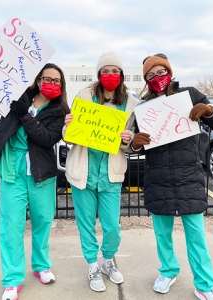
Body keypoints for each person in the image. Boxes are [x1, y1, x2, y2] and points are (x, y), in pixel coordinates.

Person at [131, 53, 213, 300]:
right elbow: (134, 142)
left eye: (161, 73)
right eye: (150, 76)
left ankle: (205, 284)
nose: (156, 78)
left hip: (189, 177)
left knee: (196, 235)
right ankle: (168, 271)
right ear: (145, 80)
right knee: (162, 234)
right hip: (158, 178)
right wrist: (135, 143)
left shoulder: (190, 95)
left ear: (169, 72)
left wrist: (208, 109)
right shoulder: (142, 108)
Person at [0, 63, 70, 300]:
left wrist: (24, 114)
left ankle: (41, 265)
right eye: (47, 78)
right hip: (13, 172)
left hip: (42, 174)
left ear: (61, 85)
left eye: (57, 80)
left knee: (43, 222)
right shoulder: (17, 98)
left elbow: (46, 138)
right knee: (11, 227)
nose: (51, 83)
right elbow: (0, 79)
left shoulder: (60, 112)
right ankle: (12, 279)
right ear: (38, 80)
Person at [63, 51, 138, 292]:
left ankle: (108, 260)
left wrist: (128, 139)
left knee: (112, 227)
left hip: (111, 173)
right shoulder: (84, 95)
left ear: (121, 74)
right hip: (83, 172)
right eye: (105, 71)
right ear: (98, 74)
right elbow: (67, 136)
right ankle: (92, 265)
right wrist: (68, 127)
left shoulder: (131, 103)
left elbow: (131, 143)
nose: (110, 75)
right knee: (85, 224)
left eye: (115, 71)